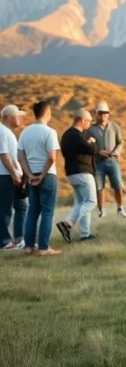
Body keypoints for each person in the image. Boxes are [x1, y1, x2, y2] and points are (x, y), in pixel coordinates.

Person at [16, 101, 61, 256]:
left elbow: (20, 156)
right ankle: (43, 248)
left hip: (30, 176)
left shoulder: (25, 132)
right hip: (47, 176)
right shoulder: (49, 132)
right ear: (47, 113)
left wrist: (29, 175)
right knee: (47, 212)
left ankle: (28, 246)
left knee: (32, 212)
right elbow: (51, 158)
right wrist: (41, 175)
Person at [55, 109, 98, 243]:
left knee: (81, 203)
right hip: (83, 172)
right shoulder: (77, 135)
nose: (89, 125)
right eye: (89, 122)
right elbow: (92, 150)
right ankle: (67, 224)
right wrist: (92, 141)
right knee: (91, 202)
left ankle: (85, 234)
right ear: (82, 120)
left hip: (71, 173)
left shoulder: (66, 135)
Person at [86, 101, 126, 218]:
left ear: (108, 114)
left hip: (113, 161)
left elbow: (120, 142)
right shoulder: (91, 129)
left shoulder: (115, 127)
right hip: (97, 163)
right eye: (101, 113)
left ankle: (120, 208)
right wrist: (98, 151)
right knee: (99, 187)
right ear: (96, 114)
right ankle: (101, 211)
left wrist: (116, 152)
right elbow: (87, 144)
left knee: (117, 185)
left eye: (106, 113)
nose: (104, 115)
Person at [0, 104, 28, 250]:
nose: (20, 118)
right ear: (9, 117)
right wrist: (13, 173)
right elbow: (4, 155)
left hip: (9, 175)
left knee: (18, 206)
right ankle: (4, 242)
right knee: (4, 209)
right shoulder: (2, 131)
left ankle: (16, 239)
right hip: (5, 176)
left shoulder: (6, 131)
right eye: (18, 116)